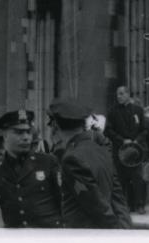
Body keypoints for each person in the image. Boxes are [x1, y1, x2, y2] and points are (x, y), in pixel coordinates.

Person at [48, 98, 131, 228]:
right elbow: (117, 195)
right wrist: (124, 226)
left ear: (54, 126)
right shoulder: (102, 150)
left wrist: (114, 229)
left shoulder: (71, 158)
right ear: (83, 124)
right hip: (105, 232)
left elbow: (93, 202)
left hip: (85, 235)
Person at [0, 108, 62, 227]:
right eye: (19, 132)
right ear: (5, 135)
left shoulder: (48, 163)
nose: (26, 137)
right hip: (15, 241)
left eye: (28, 132)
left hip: (47, 239)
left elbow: (63, 203)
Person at [105, 85, 149, 214]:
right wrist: (122, 140)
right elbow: (108, 130)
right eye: (118, 94)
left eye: (122, 93)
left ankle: (139, 205)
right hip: (120, 151)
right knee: (121, 179)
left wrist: (136, 141)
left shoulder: (138, 110)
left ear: (128, 95)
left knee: (137, 178)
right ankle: (123, 206)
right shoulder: (112, 111)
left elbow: (145, 130)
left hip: (135, 150)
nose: (119, 96)